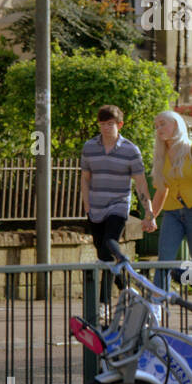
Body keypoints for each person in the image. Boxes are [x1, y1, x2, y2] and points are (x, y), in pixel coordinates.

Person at [80, 105, 156, 303]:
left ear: (119, 125)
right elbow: (85, 178)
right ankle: (126, 288)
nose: (106, 128)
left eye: (110, 124)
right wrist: (87, 206)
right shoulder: (89, 147)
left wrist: (149, 212)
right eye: (103, 124)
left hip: (118, 205)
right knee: (103, 253)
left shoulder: (130, 150)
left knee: (108, 246)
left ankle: (104, 302)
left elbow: (140, 183)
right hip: (95, 207)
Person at [149, 111, 192, 290]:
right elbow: (161, 191)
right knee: (164, 260)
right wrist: (151, 216)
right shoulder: (161, 156)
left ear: (176, 125)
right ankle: (157, 304)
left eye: (163, 124)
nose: (159, 129)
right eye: (156, 126)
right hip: (172, 213)